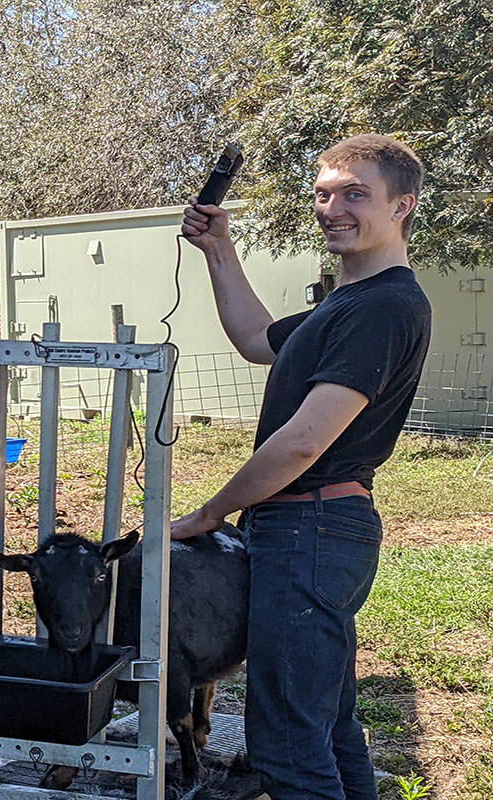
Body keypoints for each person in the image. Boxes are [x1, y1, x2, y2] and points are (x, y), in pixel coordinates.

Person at [172, 134, 431, 800]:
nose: (332, 208)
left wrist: (210, 512)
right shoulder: (345, 305)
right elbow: (258, 338)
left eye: (354, 194)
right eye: (323, 194)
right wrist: (219, 249)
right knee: (328, 730)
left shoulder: (385, 306)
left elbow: (303, 443)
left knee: (286, 748)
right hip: (311, 533)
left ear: (403, 205)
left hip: (312, 531)